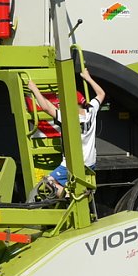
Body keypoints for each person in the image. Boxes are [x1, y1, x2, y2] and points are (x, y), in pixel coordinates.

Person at [27, 68, 106, 197]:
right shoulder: (91, 110)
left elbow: (46, 107)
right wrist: (88, 78)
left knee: (47, 182)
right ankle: (77, 194)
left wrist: (34, 89)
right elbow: (101, 94)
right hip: (90, 163)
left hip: (73, 165)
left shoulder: (68, 118)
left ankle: (68, 196)